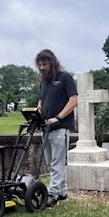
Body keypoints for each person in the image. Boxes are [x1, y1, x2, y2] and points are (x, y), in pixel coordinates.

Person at [36, 49, 78, 207]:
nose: (42, 68)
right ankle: (62, 191)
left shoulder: (65, 78)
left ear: (52, 63)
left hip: (61, 127)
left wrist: (59, 117)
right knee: (50, 161)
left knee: (57, 162)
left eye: (45, 64)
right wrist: (38, 111)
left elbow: (73, 100)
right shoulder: (44, 81)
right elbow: (41, 100)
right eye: (40, 65)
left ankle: (53, 193)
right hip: (45, 128)